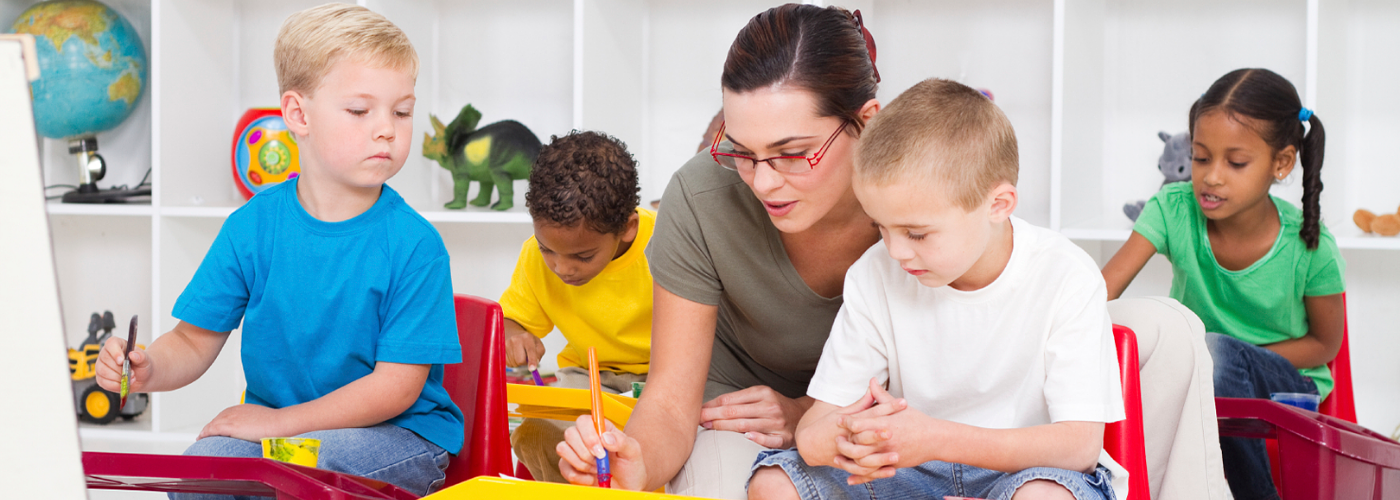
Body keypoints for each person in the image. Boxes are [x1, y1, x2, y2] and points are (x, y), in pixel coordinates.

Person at [95, 4, 462, 497]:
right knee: (203, 470)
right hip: (281, 429)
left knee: (304, 470)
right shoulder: (252, 227)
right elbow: (191, 342)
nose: (387, 129)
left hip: (398, 434)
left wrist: (280, 423)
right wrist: (148, 370)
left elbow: (394, 389)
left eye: (402, 111)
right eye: (360, 110)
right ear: (297, 113)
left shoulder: (417, 245)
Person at [556, 5, 884, 498]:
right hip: (735, 426)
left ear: (867, 122)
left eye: (793, 152)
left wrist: (806, 414)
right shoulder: (700, 196)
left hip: (873, 433)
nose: (765, 182)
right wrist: (636, 468)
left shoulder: (921, 201)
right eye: (742, 152)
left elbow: (943, 390)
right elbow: (670, 403)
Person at [748, 78, 1127, 500]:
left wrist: (934, 439)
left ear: (998, 205)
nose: (895, 252)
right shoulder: (873, 274)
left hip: (1024, 474)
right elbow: (814, 429)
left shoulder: (1066, 275)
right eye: (881, 227)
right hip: (907, 470)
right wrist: (847, 437)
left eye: (917, 233)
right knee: (774, 483)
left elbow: (1078, 446)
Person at [1101, 68, 1344, 500]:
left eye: (1235, 163)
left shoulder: (1310, 243)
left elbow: (1324, 345)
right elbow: (1103, 291)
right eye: (1200, 157)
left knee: (1212, 353)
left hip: (1287, 384)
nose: (1211, 177)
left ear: (1282, 163)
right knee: (1177, 354)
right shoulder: (1171, 209)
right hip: (1196, 370)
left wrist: (1230, 360)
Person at [502, 131, 656, 483]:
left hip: (659, 380)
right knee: (534, 433)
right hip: (586, 379)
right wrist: (514, 335)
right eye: (547, 249)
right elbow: (511, 319)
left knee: (636, 448)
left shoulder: (666, 243)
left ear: (627, 228)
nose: (562, 268)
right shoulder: (534, 256)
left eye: (583, 256)